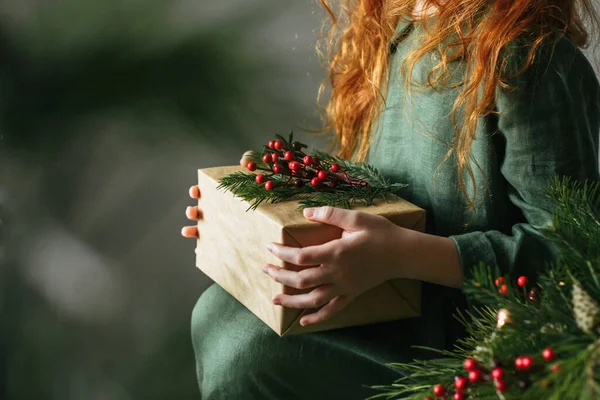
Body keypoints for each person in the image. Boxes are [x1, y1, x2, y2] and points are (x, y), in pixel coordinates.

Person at [182, 0, 600, 398]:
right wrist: (273, 193)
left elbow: (570, 257)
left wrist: (404, 255)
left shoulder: (531, 58)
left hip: (464, 354)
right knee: (219, 315)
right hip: (379, 310)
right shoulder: (394, 33)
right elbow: (382, 191)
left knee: (249, 351)